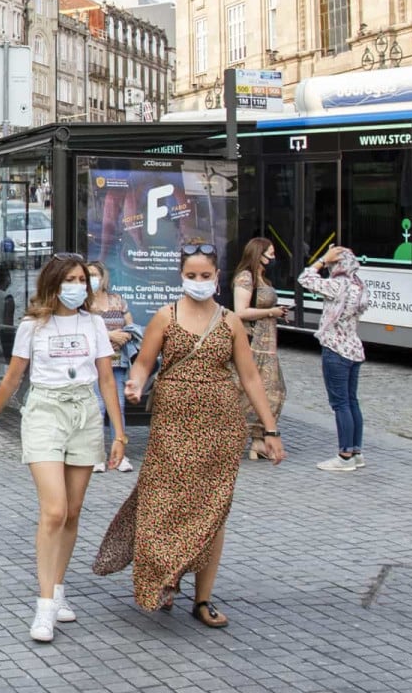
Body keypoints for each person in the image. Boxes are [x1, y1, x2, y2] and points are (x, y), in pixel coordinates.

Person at [92, 245, 286, 628]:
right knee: (163, 505)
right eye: (192, 275)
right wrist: (136, 384)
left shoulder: (230, 321)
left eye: (206, 276)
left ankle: (202, 599)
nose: (199, 282)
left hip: (220, 428)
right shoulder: (166, 316)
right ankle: (164, 577)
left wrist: (271, 429)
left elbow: (250, 378)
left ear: (217, 277)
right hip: (172, 427)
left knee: (212, 511)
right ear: (181, 276)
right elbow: (144, 362)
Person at [0, 254, 126, 643]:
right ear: (53, 283)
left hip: (84, 413)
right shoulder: (33, 326)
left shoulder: (93, 323)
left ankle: (58, 589)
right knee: (54, 509)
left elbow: (107, 380)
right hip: (44, 412)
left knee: (72, 512)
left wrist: (119, 434)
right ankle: (43, 607)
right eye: (70, 279)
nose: (77, 286)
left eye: (82, 280)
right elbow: (11, 378)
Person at [301, 245, 371, 472]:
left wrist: (321, 259)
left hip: (336, 349)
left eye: (332, 264)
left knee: (340, 403)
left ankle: (344, 456)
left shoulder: (337, 285)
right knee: (352, 401)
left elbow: (305, 278)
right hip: (354, 348)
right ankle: (356, 452)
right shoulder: (358, 286)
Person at [230, 239, 289, 461]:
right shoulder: (246, 278)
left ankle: (257, 440)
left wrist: (277, 312)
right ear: (258, 254)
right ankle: (241, 436)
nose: (273, 258)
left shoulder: (263, 277)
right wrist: (271, 312)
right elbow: (240, 311)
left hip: (268, 344)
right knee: (250, 391)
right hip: (252, 344)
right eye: (270, 254)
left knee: (274, 391)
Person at [85, 261, 141, 474]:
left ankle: (120, 453)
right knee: (97, 407)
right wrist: (109, 335)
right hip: (93, 362)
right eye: (88, 274)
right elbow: (83, 331)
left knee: (117, 407)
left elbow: (130, 324)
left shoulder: (117, 300)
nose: (92, 279)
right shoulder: (83, 303)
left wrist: (124, 335)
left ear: (103, 276)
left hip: (117, 361)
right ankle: (96, 454)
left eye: (95, 274)